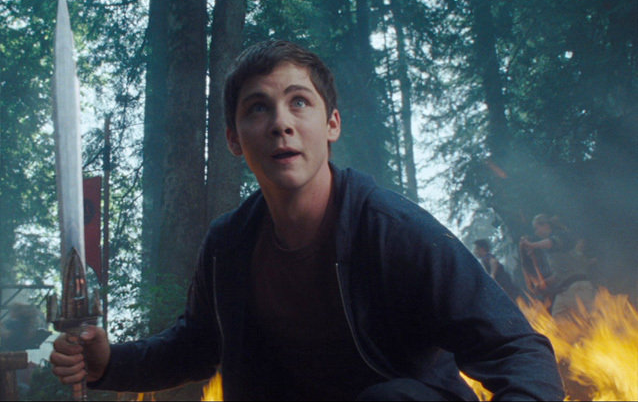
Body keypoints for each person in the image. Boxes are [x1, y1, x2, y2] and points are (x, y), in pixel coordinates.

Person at [50, 40, 564, 401]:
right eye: (258, 109)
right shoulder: (228, 246)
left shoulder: (394, 232)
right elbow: (196, 346)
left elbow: (519, 352)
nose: (281, 123)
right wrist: (110, 364)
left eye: (299, 102)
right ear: (233, 139)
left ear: (331, 124)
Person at [519, 214, 596, 319]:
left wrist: (531, 245)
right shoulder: (550, 253)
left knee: (590, 319)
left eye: (537, 228)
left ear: (546, 225)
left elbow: (552, 242)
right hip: (564, 291)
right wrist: (544, 283)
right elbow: (559, 275)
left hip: (579, 287)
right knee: (559, 322)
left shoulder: (562, 235)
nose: (536, 233)